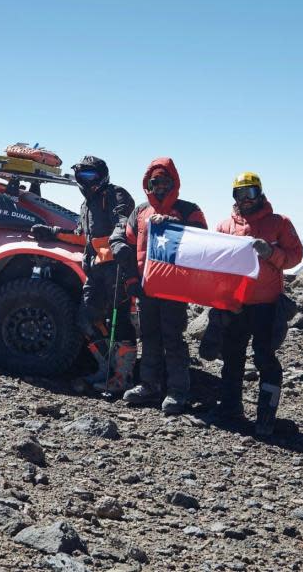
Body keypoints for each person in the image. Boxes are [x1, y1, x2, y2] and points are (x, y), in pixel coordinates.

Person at [30, 156, 137, 393]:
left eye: (91, 176)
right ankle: (107, 367)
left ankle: (123, 378)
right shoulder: (86, 205)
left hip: (117, 268)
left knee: (120, 324)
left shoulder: (115, 195)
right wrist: (53, 233)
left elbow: (124, 223)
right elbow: (82, 236)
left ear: (102, 176)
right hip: (96, 271)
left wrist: (119, 245)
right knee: (86, 319)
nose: (86, 182)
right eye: (81, 177)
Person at [214, 172, 303, 436]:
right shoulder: (224, 226)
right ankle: (230, 408)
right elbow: (215, 263)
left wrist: (271, 253)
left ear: (260, 193)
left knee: (265, 358)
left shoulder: (279, 223)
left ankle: (266, 416)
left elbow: (295, 256)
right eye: (240, 194)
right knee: (231, 358)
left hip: (267, 305)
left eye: (250, 193)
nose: (246, 199)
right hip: (236, 305)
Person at [119, 157, 207, 414]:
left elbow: (202, 242)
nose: (160, 186)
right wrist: (132, 281)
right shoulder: (140, 211)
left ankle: (178, 391)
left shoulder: (189, 209)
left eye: (165, 181)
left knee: (173, 338)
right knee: (149, 336)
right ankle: (149, 385)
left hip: (175, 287)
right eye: (154, 182)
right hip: (147, 287)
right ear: (148, 184)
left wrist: (171, 225)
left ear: (174, 182)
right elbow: (129, 244)